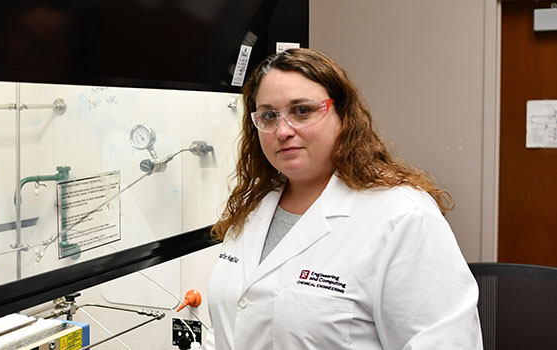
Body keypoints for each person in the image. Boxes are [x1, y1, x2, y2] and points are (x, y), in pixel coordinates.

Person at [202, 49, 482, 349]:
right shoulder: (253, 207)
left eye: (302, 111)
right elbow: (226, 326)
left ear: (343, 116)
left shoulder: (402, 215)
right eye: (269, 116)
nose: (282, 131)